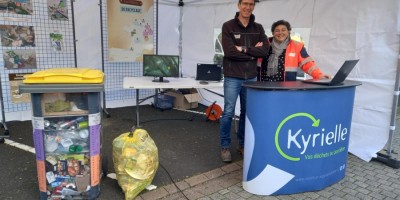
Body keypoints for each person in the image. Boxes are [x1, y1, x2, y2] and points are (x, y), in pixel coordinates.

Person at [220, 0, 269, 162]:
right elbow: (229, 52)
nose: (248, 7)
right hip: (232, 76)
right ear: (239, 5)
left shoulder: (259, 28)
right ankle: (225, 146)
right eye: (245, 4)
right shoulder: (228, 26)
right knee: (228, 112)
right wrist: (253, 52)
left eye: (251, 4)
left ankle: (242, 144)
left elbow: (264, 51)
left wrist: (245, 49)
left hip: (251, 77)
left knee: (246, 113)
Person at [259, 19, 329, 82]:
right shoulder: (263, 44)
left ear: (289, 31)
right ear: (273, 33)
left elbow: (307, 64)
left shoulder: (297, 46)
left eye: (283, 30)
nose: (280, 33)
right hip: (262, 85)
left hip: (286, 87)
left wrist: (319, 75)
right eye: (277, 31)